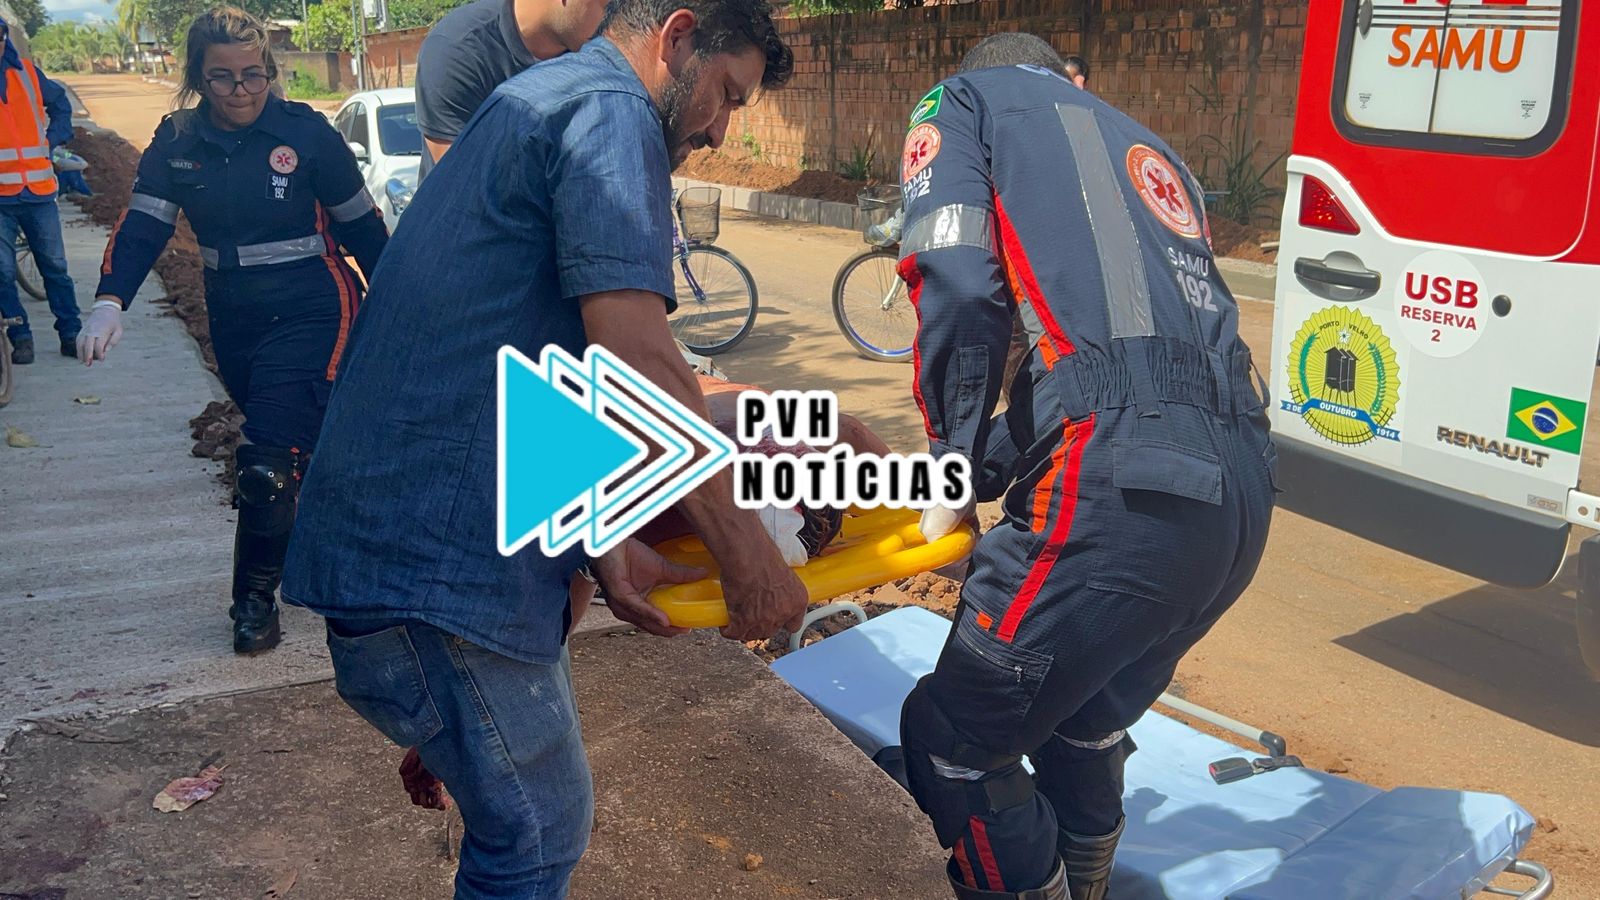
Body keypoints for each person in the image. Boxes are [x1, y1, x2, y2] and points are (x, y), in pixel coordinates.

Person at [280, 1, 802, 894]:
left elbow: (517, 360)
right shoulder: (611, 114)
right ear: (678, 37)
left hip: (416, 560)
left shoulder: (545, 100)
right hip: (437, 575)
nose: (720, 131)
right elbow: (637, 360)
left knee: (527, 820)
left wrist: (599, 540)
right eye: (725, 93)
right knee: (536, 834)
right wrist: (749, 554)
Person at [896, 33, 1275, 900]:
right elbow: (1118, 378)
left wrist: (951, 459)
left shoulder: (963, 102)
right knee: (1082, 724)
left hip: (1122, 499)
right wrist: (985, 467)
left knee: (953, 741)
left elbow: (960, 282)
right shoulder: (1147, 144)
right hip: (1242, 493)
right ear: (1070, 79)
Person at [84, 7, 387, 655]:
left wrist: (400, 304)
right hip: (234, 316)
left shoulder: (304, 134)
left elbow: (363, 228)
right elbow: (144, 225)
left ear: (269, 72)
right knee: (297, 449)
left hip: (316, 307)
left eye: (253, 74)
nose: (241, 90)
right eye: (222, 77)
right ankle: (329, 539)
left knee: (265, 461)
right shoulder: (177, 141)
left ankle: (253, 604)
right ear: (199, 78)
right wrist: (111, 300)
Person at [414, 0, 608, 178]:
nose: (613, 16)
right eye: (608, 4)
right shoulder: (459, 49)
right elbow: (462, 184)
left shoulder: (597, 55)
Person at [0, 15, 80, 366]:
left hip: (38, 192)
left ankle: (71, 333)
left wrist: (52, 140)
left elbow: (60, 104)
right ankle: (20, 337)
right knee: (2, 273)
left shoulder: (27, 73)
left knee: (54, 267)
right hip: (1, 199)